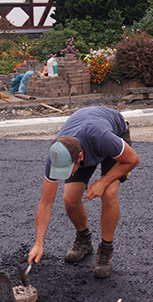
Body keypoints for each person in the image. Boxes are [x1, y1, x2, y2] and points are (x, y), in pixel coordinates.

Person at [28, 106, 140, 278]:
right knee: (70, 198)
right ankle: (84, 240)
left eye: (66, 170)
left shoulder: (103, 138)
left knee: (109, 193)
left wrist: (102, 182)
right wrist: (38, 243)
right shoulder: (57, 154)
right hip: (82, 141)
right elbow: (45, 202)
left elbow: (133, 159)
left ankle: (106, 249)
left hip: (113, 132)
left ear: (80, 157)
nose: (63, 175)